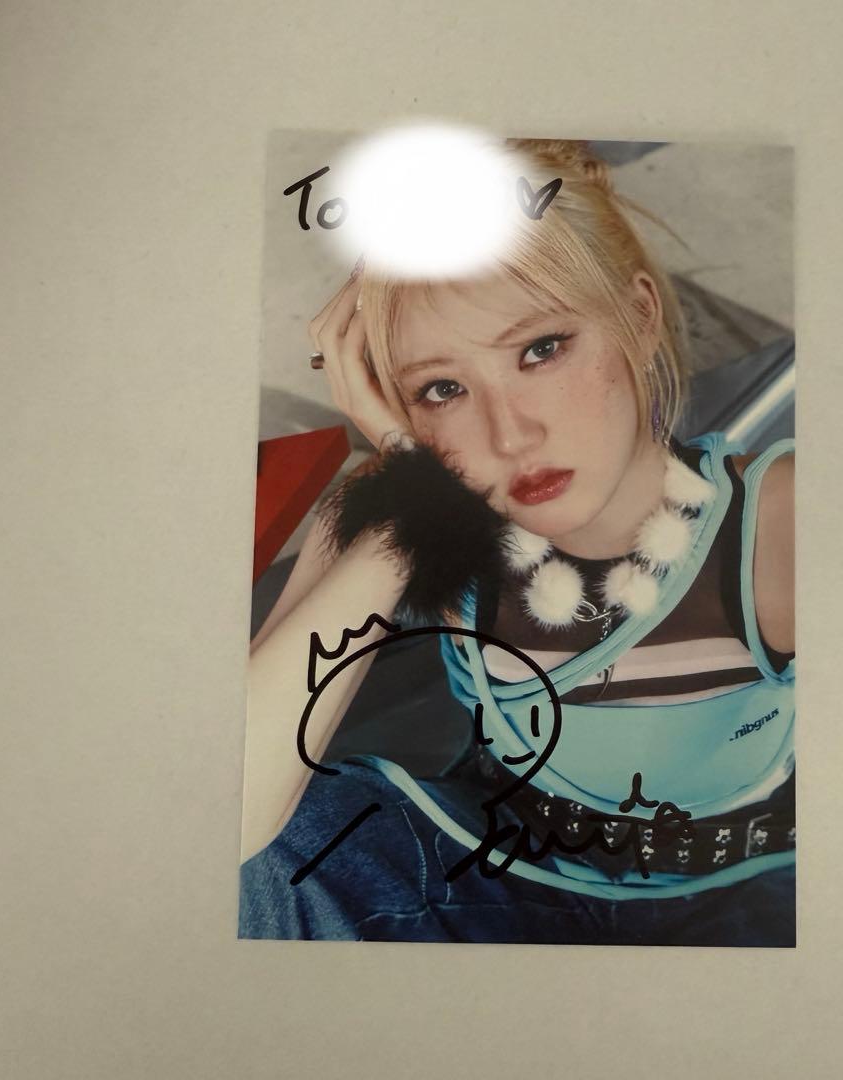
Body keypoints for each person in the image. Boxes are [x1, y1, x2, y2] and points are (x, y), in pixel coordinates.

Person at [239, 138, 795, 946]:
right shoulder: (411, 500)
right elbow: (227, 817)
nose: (509, 434)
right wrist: (410, 486)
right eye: (443, 388)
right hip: (495, 873)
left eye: (541, 349)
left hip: (734, 899)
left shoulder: (780, 520)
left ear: (640, 317)